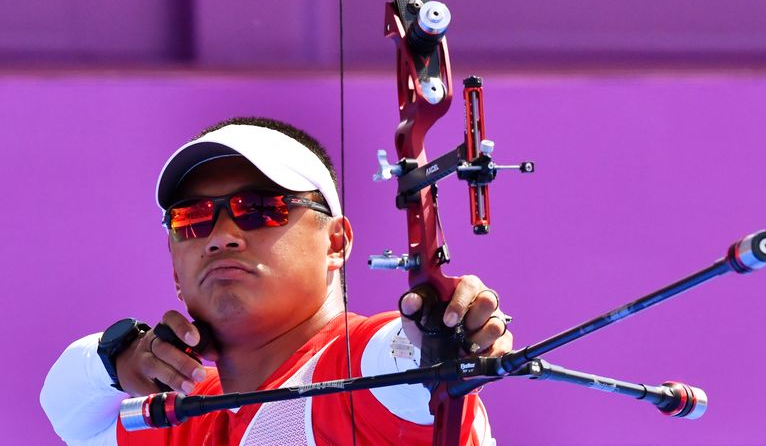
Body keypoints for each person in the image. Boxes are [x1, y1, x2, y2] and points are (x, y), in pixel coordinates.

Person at [40, 117, 510, 445]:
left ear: (335, 242)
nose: (222, 237)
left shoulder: (352, 370)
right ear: (174, 268)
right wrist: (119, 355)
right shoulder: (185, 410)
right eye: (193, 219)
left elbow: (398, 365)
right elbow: (68, 413)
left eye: (261, 209)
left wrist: (440, 334)